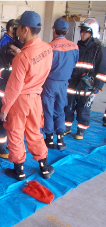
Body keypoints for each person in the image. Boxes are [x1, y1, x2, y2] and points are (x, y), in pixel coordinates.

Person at [0, 11, 54, 181]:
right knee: (34, 132)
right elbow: (36, 66)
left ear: (26, 29)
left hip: (20, 101)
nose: (16, 31)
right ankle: (44, 168)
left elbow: (14, 87)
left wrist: (4, 109)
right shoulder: (47, 49)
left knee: (15, 133)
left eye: (18, 28)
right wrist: (21, 56)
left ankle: (19, 171)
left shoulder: (22, 58)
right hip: (35, 99)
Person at [64, 17, 106, 139]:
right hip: (73, 83)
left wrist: (97, 87)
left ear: (92, 32)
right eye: (81, 31)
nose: (82, 33)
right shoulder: (76, 46)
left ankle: (80, 130)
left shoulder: (99, 50)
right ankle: (67, 127)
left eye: (85, 31)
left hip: (87, 85)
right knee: (68, 106)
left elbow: (102, 71)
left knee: (83, 109)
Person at [42, 18, 79, 150]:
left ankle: (49, 139)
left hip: (50, 83)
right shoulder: (74, 46)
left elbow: (44, 67)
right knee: (60, 110)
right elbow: (74, 64)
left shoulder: (48, 47)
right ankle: (60, 139)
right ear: (67, 31)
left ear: (54, 30)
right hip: (64, 83)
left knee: (48, 110)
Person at [0, 21, 24, 159]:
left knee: (17, 121)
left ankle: (13, 144)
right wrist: (12, 74)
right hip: (5, 92)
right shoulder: (5, 49)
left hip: (21, 94)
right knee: (3, 120)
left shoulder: (28, 50)